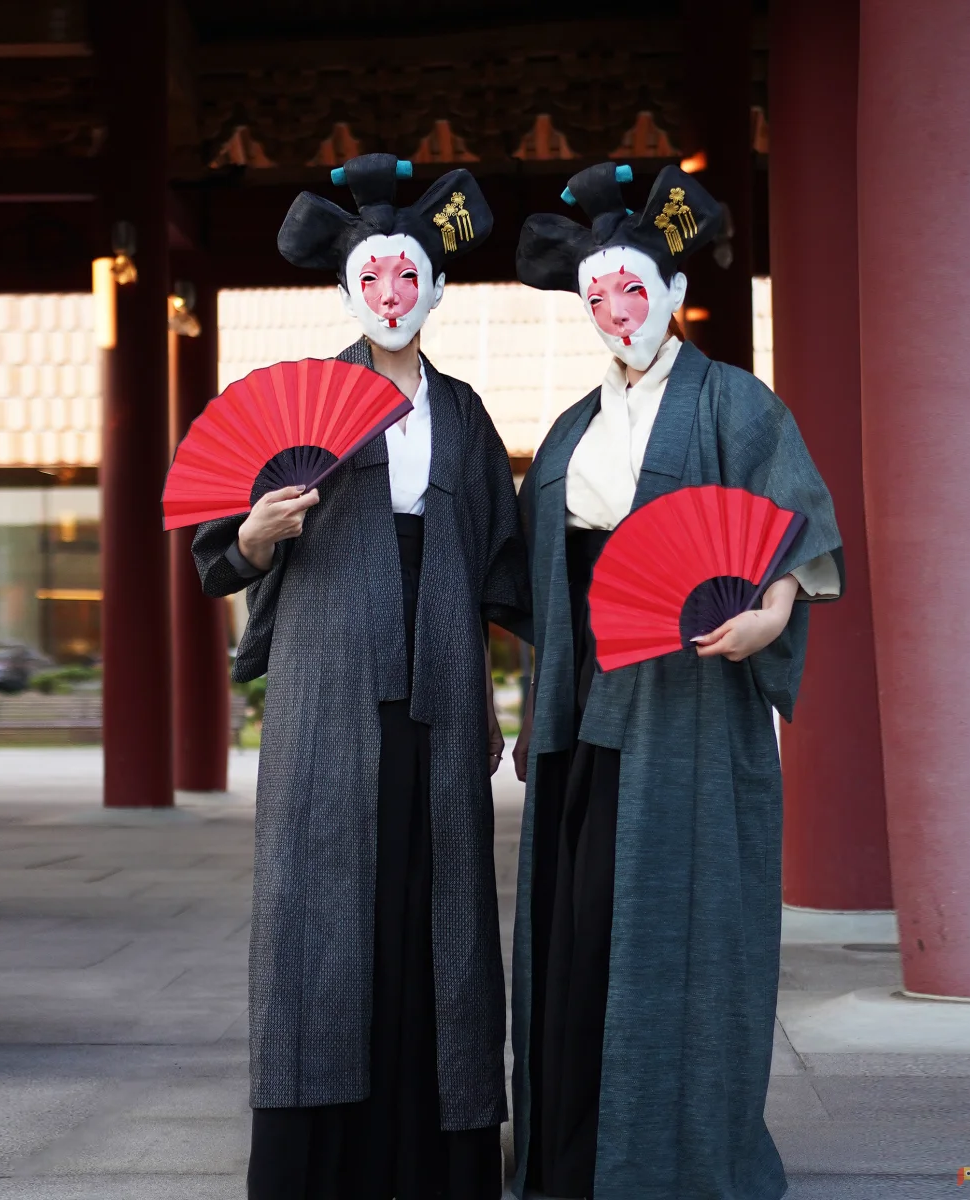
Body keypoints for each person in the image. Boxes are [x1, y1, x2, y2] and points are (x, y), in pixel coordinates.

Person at [191, 153, 529, 1200]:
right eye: (371, 280)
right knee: (318, 901)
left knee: (439, 907)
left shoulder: (465, 415)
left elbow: (507, 566)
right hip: (329, 675)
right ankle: (312, 1158)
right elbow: (219, 552)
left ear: (434, 289)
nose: (390, 296)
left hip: (437, 668)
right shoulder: (292, 403)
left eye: (408, 277)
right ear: (346, 292)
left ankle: (441, 1153)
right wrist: (255, 530)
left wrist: (532, 691)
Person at [509, 162, 843, 1200]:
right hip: (584, 714)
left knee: (679, 932)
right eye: (597, 298)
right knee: (577, 934)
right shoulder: (567, 431)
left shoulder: (736, 407)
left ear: (670, 293)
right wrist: (533, 705)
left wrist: (774, 610)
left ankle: (680, 1156)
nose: (617, 313)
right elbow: (538, 583)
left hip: (692, 709)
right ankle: (572, 1161)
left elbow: (798, 533)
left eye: (633, 292)